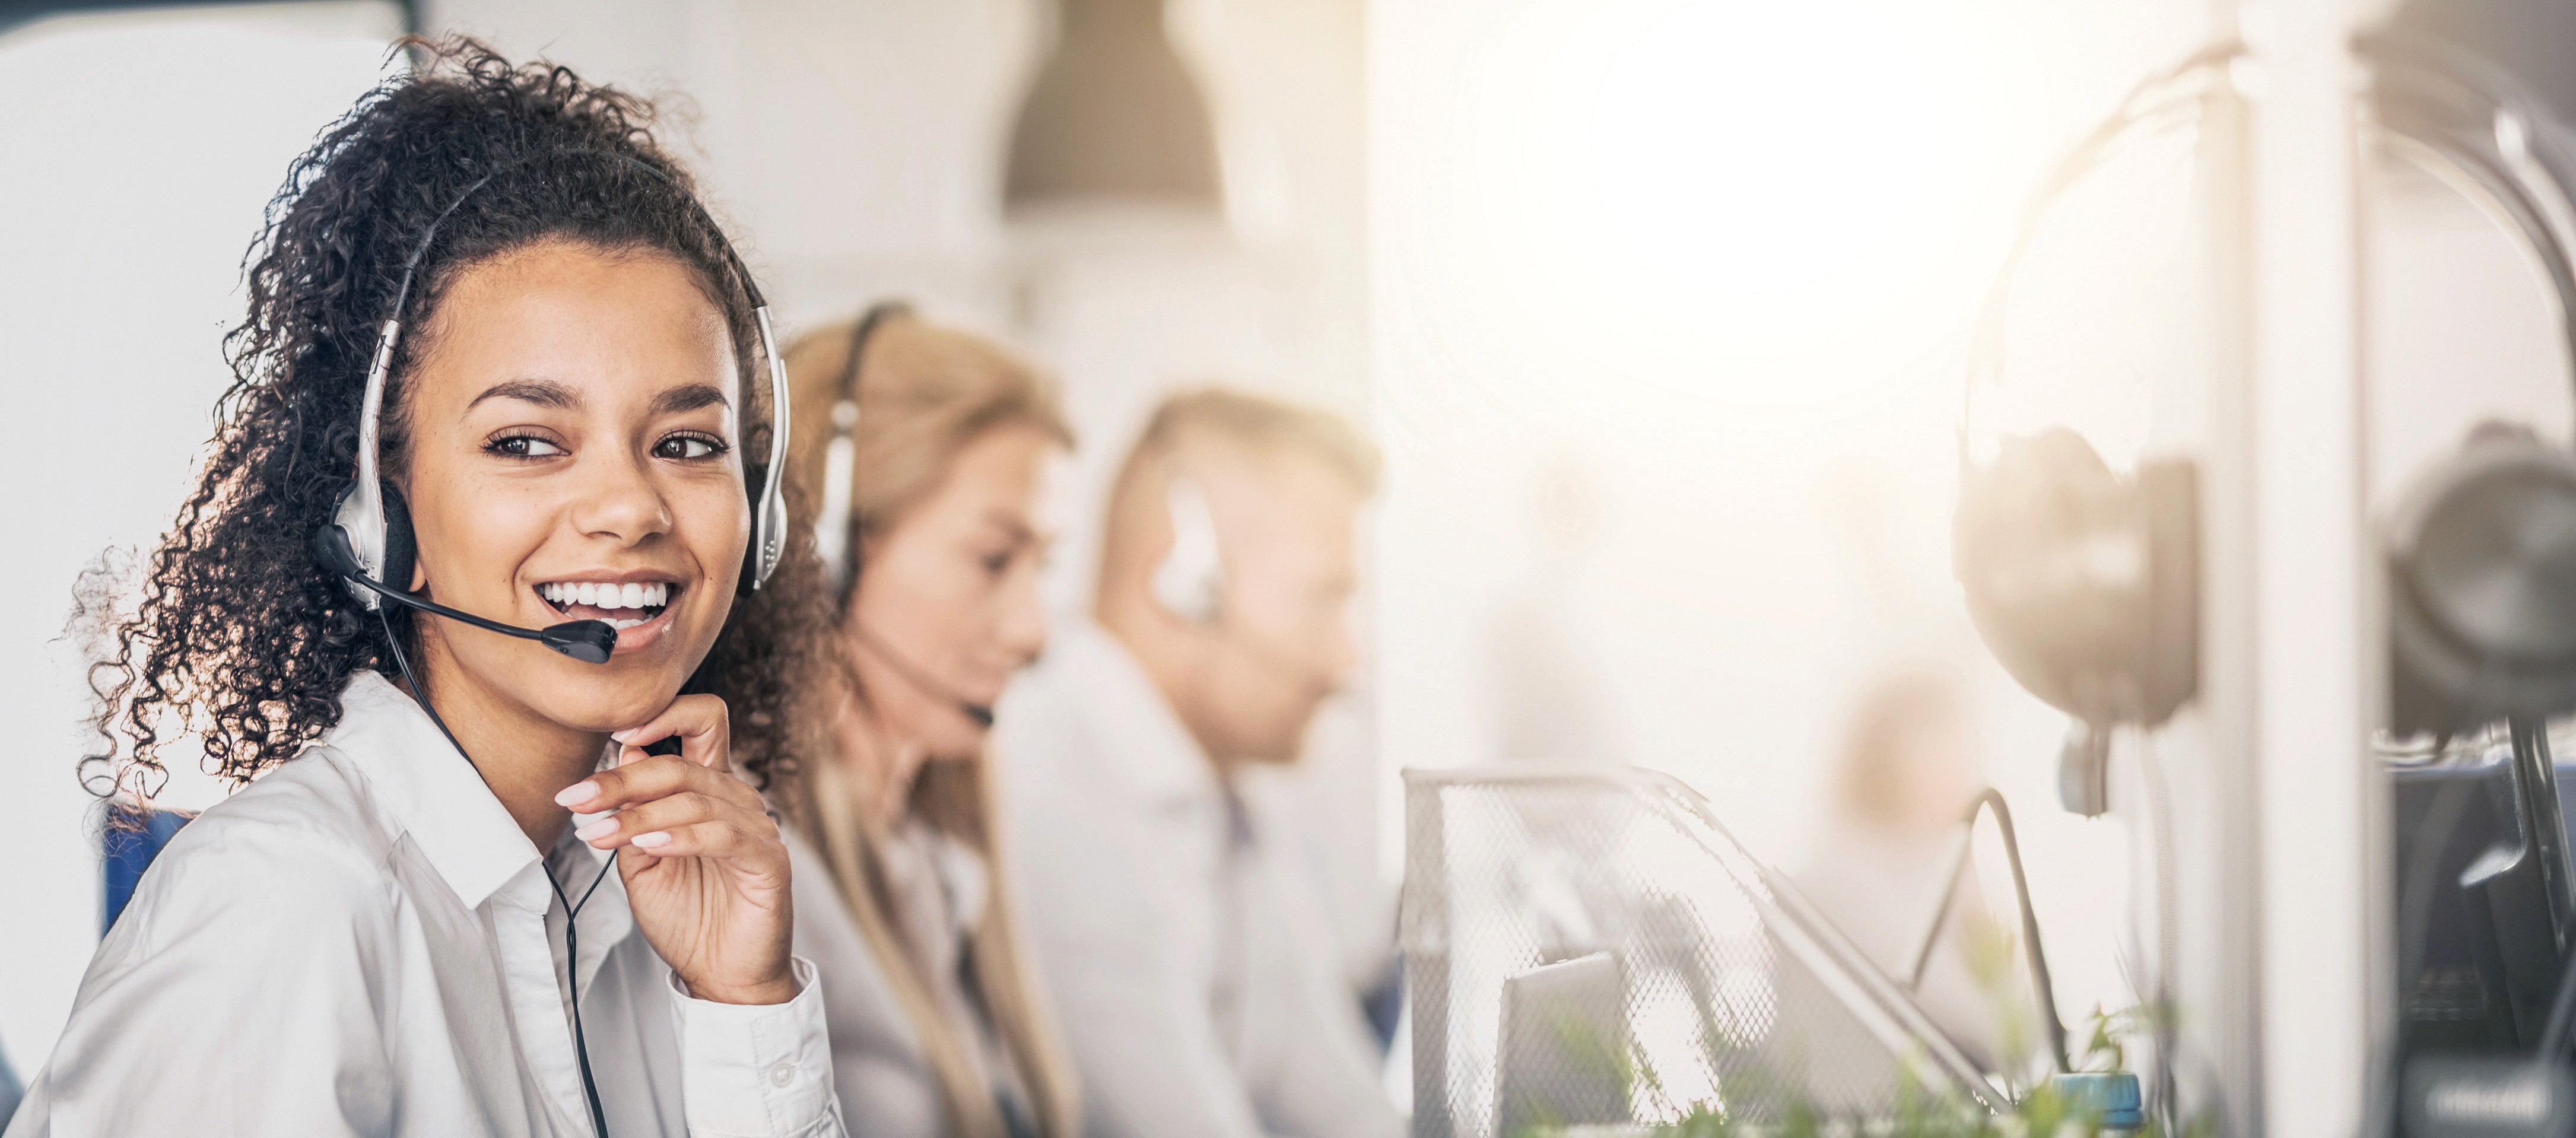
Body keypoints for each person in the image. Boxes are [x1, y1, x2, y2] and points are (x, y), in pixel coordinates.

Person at [10, 40, 846, 1137]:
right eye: (528, 440)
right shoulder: (289, 904)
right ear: (378, 507)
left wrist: (746, 1005)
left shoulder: (650, 905)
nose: (631, 507)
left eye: (687, 443)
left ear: (761, 510)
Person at [997, 389, 1402, 1138]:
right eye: (1321, 599)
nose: (1349, 658)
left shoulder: (1229, 792)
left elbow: (1340, 1101)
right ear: (1182, 581)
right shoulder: (1056, 787)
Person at [770, 305, 1082, 1138]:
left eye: (1041, 564)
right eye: (992, 559)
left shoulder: (933, 858)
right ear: (823, 553)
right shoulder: (757, 884)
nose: (1034, 630)